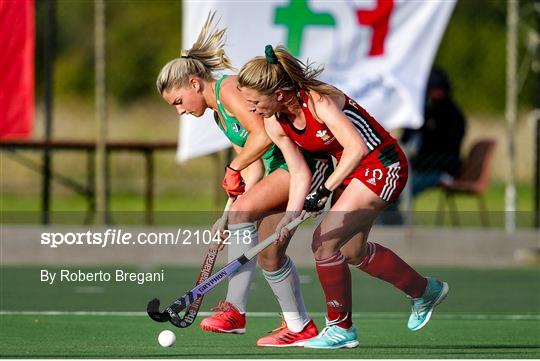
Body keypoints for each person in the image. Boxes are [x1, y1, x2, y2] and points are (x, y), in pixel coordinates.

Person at [237, 45, 449, 349]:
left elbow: (356, 148)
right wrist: (290, 216)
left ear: (280, 94)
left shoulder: (319, 101)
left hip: (382, 164)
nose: (252, 109)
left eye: (255, 101)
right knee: (352, 252)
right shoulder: (275, 122)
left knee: (324, 243)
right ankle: (424, 291)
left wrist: (324, 190)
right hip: (353, 174)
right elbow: (299, 173)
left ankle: (340, 328)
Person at [156, 14, 333, 347]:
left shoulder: (228, 89)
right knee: (269, 253)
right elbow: (252, 170)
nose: (179, 111)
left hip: (303, 168)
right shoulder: (219, 116)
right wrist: (227, 215)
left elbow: (263, 137)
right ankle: (300, 327)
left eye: (179, 101)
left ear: (194, 84)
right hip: (277, 173)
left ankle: (234, 310)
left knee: (248, 223)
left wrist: (234, 173)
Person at [401, 67, 467, 196]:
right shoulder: (423, 113)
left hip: (440, 169)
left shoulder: (450, 115)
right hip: (421, 166)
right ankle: (394, 216)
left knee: (396, 189)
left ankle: (394, 216)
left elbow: (445, 148)